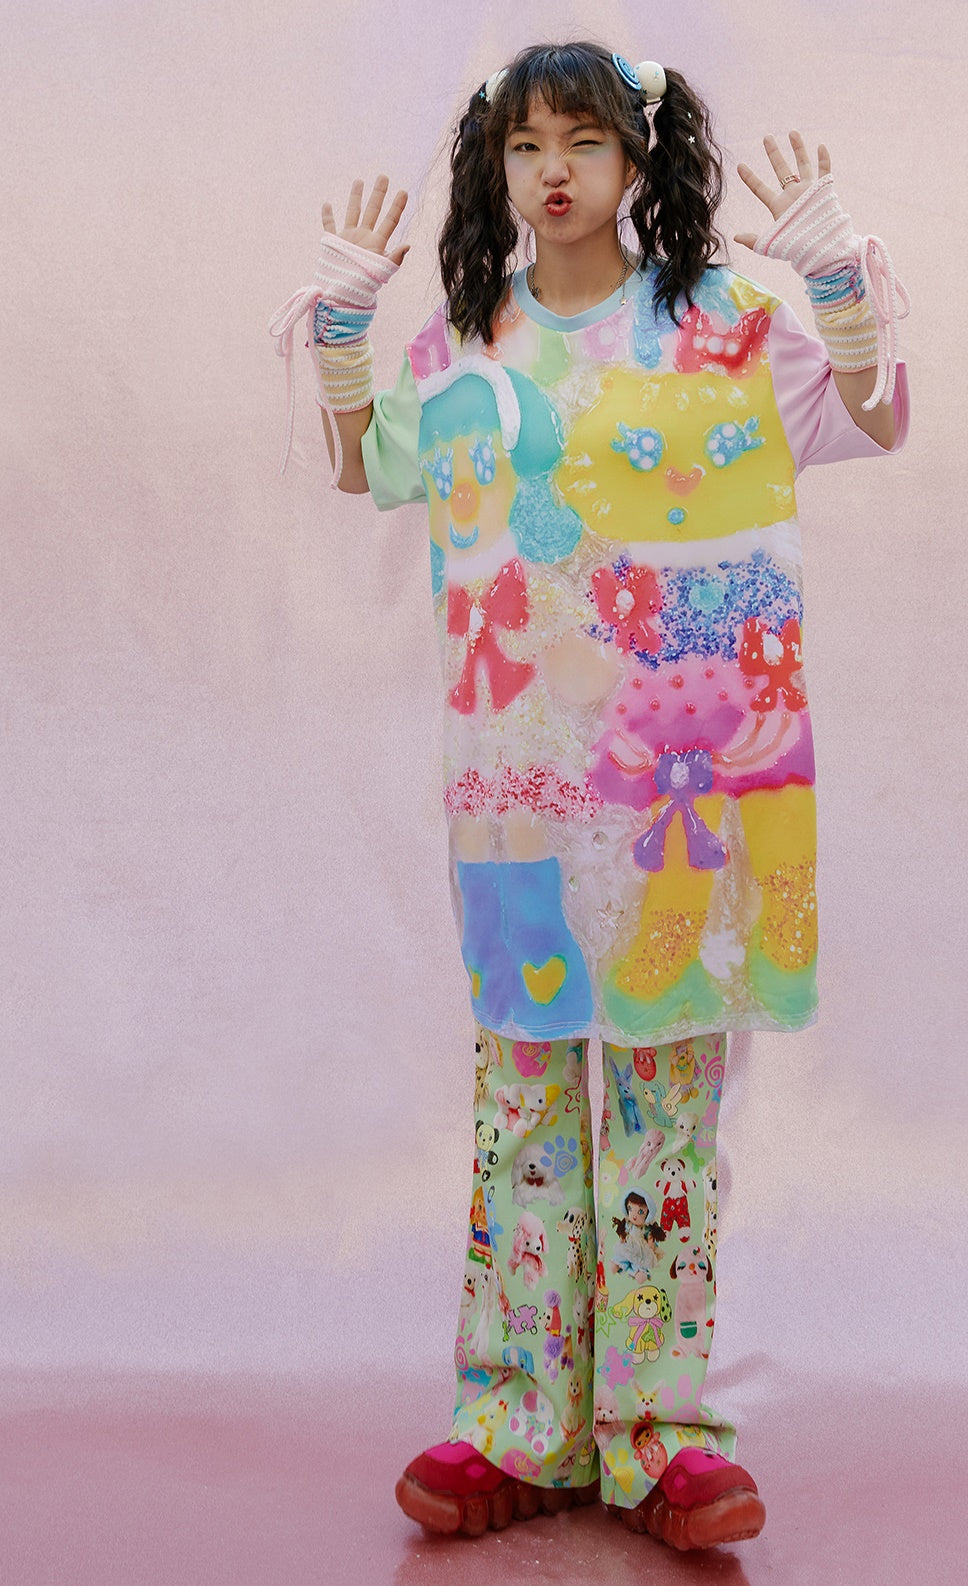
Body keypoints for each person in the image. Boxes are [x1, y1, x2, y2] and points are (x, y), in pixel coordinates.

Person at [268, 39, 910, 1552]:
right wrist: (347, 338)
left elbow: (870, 416)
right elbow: (369, 469)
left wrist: (837, 286)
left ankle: (658, 1429)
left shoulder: (717, 325)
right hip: (519, 802)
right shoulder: (467, 348)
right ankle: (516, 1422)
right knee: (524, 1102)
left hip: (679, 801)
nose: (551, 171)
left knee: (664, 1103)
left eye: (583, 142)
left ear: (635, 162)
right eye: (524, 146)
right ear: (495, 169)